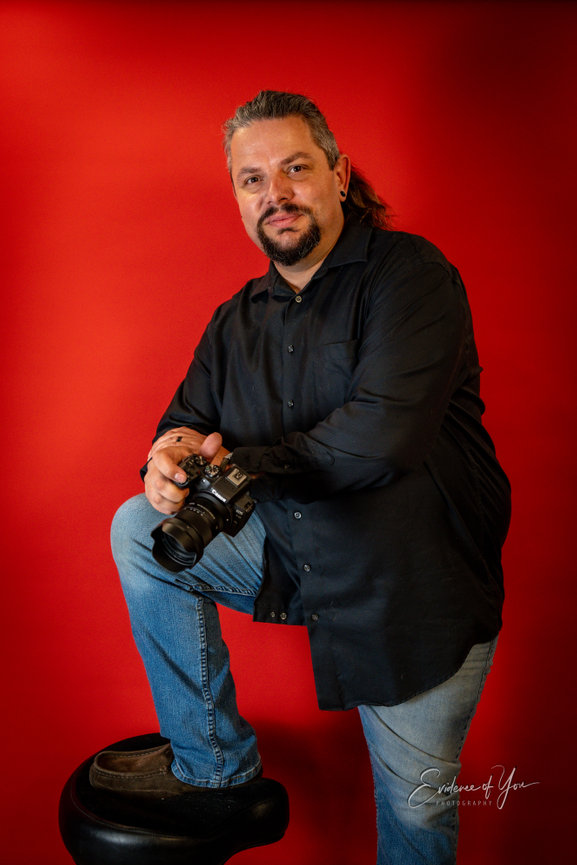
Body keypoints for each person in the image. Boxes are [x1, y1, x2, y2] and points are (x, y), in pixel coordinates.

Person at [90, 91, 511, 864]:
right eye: (252, 179)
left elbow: (380, 439)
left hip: (410, 591)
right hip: (298, 557)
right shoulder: (236, 319)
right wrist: (169, 457)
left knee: (415, 822)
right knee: (138, 526)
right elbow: (183, 418)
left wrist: (241, 465)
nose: (274, 194)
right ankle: (213, 764)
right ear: (237, 197)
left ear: (338, 175)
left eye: (294, 169)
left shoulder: (410, 274)